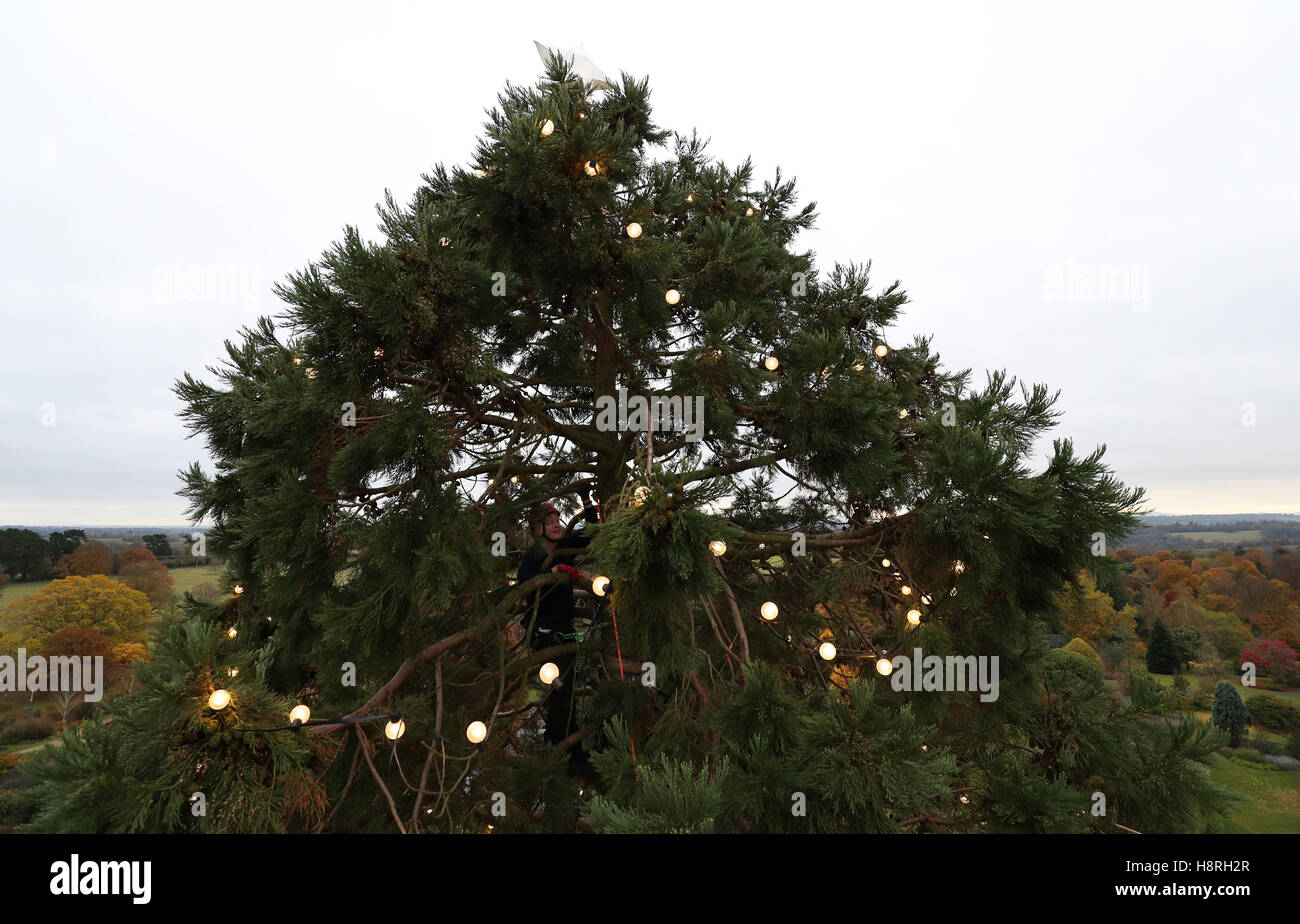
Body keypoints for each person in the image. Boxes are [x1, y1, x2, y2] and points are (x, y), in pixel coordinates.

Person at [516, 482, 600, 778]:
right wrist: (548, 574)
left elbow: (591, 532)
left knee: (565, 695)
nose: (555, 525)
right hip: (546, 634)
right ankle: (569, 757)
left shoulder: (564, 549)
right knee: (561, 693)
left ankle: (562, 752)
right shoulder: (532, 557)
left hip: (565, 632)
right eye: (548, 523)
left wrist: (587, 500)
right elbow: (525, 585)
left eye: (556, 521)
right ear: (537, 530)